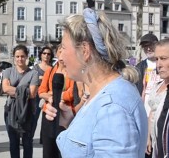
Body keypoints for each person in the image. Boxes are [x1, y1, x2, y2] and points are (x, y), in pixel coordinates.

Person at [44, 8, 148, 157]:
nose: (60, 57)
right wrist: (70, 121)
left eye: (64, 48)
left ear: (85, 51)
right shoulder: (104, 93)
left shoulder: (112, 108)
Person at [38, 45, 75, 158]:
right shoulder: (50, 71)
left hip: (65, 115)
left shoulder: (72, 72)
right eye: (60, 51)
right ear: (57, 54)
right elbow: (41, 92)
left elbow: (72, 94)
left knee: (62, 150)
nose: (62, 54)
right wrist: (51, 96)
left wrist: (53, 94)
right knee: (48, 150)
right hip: (49, 114)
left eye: (65, 51)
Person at [2, 45, 39, 158]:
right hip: (10, 111)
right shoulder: (8, 71)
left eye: (22, 56)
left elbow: (32, 94)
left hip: (27, 111)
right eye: (17, 56)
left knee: (27, 142)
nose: (20, 59)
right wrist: (25, 91)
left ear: (27, 57)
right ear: (14, 57)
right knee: (14, 143)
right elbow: (5, 89)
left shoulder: (34, 73)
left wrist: (14, 90)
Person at [31, 46, 54, 139]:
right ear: (41, 55)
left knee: (47, 118)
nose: (46, 55)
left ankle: (44, 139)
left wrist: (41, 78)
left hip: (48, 95)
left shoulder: (53, 68)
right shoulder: (36, 68)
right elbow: (32, 79)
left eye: (48, 54)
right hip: (36, 95)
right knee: (34, 117)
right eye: (44, 53)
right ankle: (29, 137)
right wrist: (44, 78)